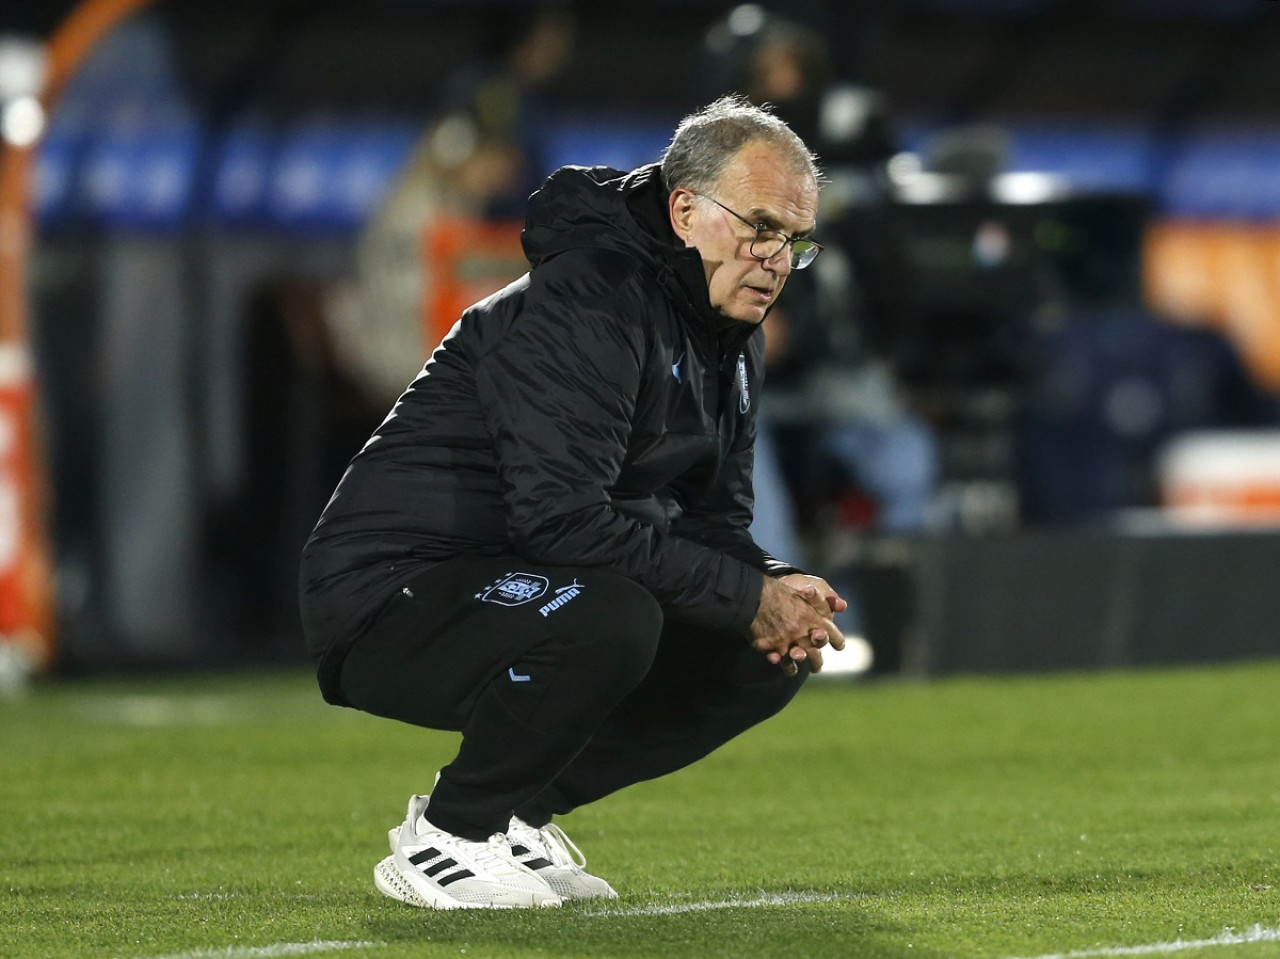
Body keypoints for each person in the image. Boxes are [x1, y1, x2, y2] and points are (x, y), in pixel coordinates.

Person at [298, 95, 847, 911]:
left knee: (759, 650)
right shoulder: (591, 300)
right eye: (760, 227)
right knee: (614, 614)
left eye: (793, 241)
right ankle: (450, 833)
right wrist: (744, 591)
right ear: (686, 210)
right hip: (393, 593)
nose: (775, 257)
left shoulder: (730, 340)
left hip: (533, 579)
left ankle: (519, 814)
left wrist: (775, 583)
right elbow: (560, 518)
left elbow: (712, 524)